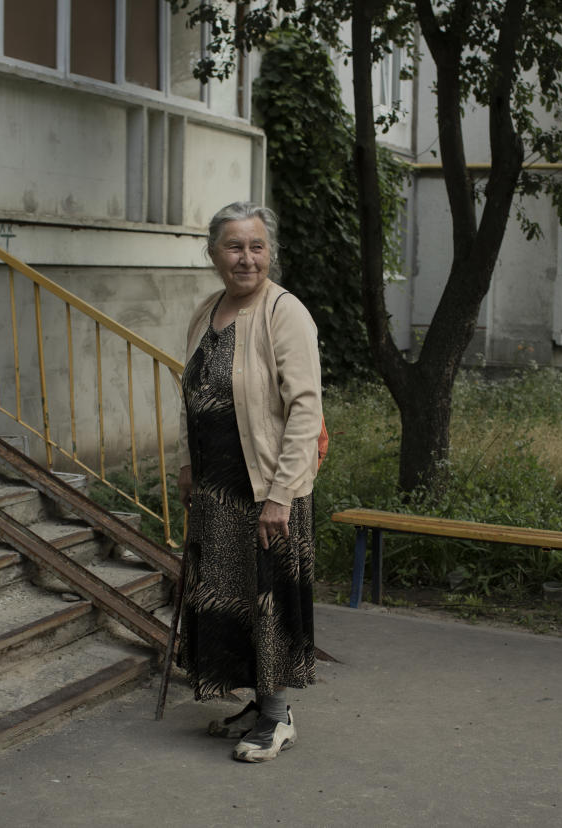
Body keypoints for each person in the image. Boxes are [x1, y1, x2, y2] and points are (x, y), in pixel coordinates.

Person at [175, 202, 323, 762]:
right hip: (216, 491)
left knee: (267, 597)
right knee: (229, 599)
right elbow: (189, 397)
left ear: (270, 253)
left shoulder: (284, 313)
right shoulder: (205, 312)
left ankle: (279, 714)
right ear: (213, 254)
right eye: (234, 246)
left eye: (256, 246)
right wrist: (187, 465)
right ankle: (258, 704)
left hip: (265, 488)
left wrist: (281, 494)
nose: (246, 258)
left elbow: (305, 410)